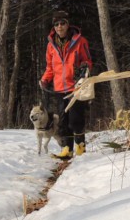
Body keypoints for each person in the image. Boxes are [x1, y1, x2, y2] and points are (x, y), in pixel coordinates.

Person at [39, 10, 92, 158]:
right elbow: (50, 67)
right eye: (56, 24)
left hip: (76, 87)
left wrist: (84, 70)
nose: (59, 27)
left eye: (62, 23)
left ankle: (80, 146)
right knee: (63, 121)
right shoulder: (51, 45)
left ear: (68, 24)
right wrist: (45, 79)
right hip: (59, 88)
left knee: (76, 119)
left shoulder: (80, 41)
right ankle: (67, 149)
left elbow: (87, 61)